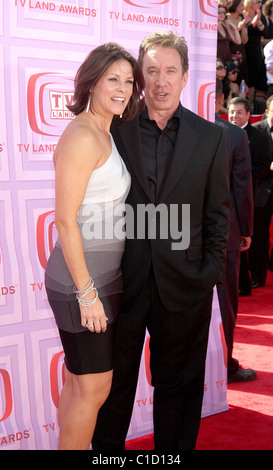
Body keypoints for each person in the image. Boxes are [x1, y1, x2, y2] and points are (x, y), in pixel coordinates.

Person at [92, 30, 230, 451]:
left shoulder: (211, 138)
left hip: (185, 287)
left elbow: (218, 216)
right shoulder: (116, 131)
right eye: (151, 70)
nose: (161, 80)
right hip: (123, 285)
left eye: (170, 70)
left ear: (186, 77)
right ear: (141, 76)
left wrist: (205, 275)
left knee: (179, 392)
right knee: (112, 395)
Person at [44, 43, 144, 450]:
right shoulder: (83, 135)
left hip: (99, 278)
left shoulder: (105, 129)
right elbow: (65, 220)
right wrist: (87, 294)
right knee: (95, 387)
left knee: (79, 383)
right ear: (92, 82)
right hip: (80, 283)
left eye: (128, 81)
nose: (122, 88)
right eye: (113, 79)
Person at [215, 79, 255, 383]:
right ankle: (223, 365)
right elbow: (242, 186)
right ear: (219, 98)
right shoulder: (232, 135)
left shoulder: (172, 128)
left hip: (175, 231)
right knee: (225, 301)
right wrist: (246, 229)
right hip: (225, 232)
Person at [228, 97, 271, 295]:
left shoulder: (258, 136)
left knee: (256, 238)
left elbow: (263, 166)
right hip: (227, 196)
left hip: (254, 195)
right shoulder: (221, 131)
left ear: (247, 114)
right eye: (231, 112)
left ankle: (257, 276)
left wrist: (240, 174)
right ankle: (239, 280)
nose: (234, 116)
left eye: (238, 112)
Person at [250, 95, 273, 286]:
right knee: (259, 235)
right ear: (267, 112)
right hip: (262, 190)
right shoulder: (256, 131)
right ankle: (258, 275)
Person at [243, 0, 265, 106]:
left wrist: (258, 21)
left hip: (257, 51)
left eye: (261, 2)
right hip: (246, 51)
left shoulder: (259, 16)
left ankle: (250, 107)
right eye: (257, 2)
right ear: (250, 3)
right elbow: (244, 29)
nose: (260, 4)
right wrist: (253, 23)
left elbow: (263, 31)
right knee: (246, 80)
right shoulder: (244, 14)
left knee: (253, 82)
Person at [227, 0, 249, 85]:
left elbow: (244, 40)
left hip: (240, 52)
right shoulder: (226, 18)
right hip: (229, 50)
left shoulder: (242, 19)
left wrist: (243, 26)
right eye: (242, 5)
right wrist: (238, 28)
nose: (244, 8)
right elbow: (229, 36)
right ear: (235, 5)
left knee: (242, 78)